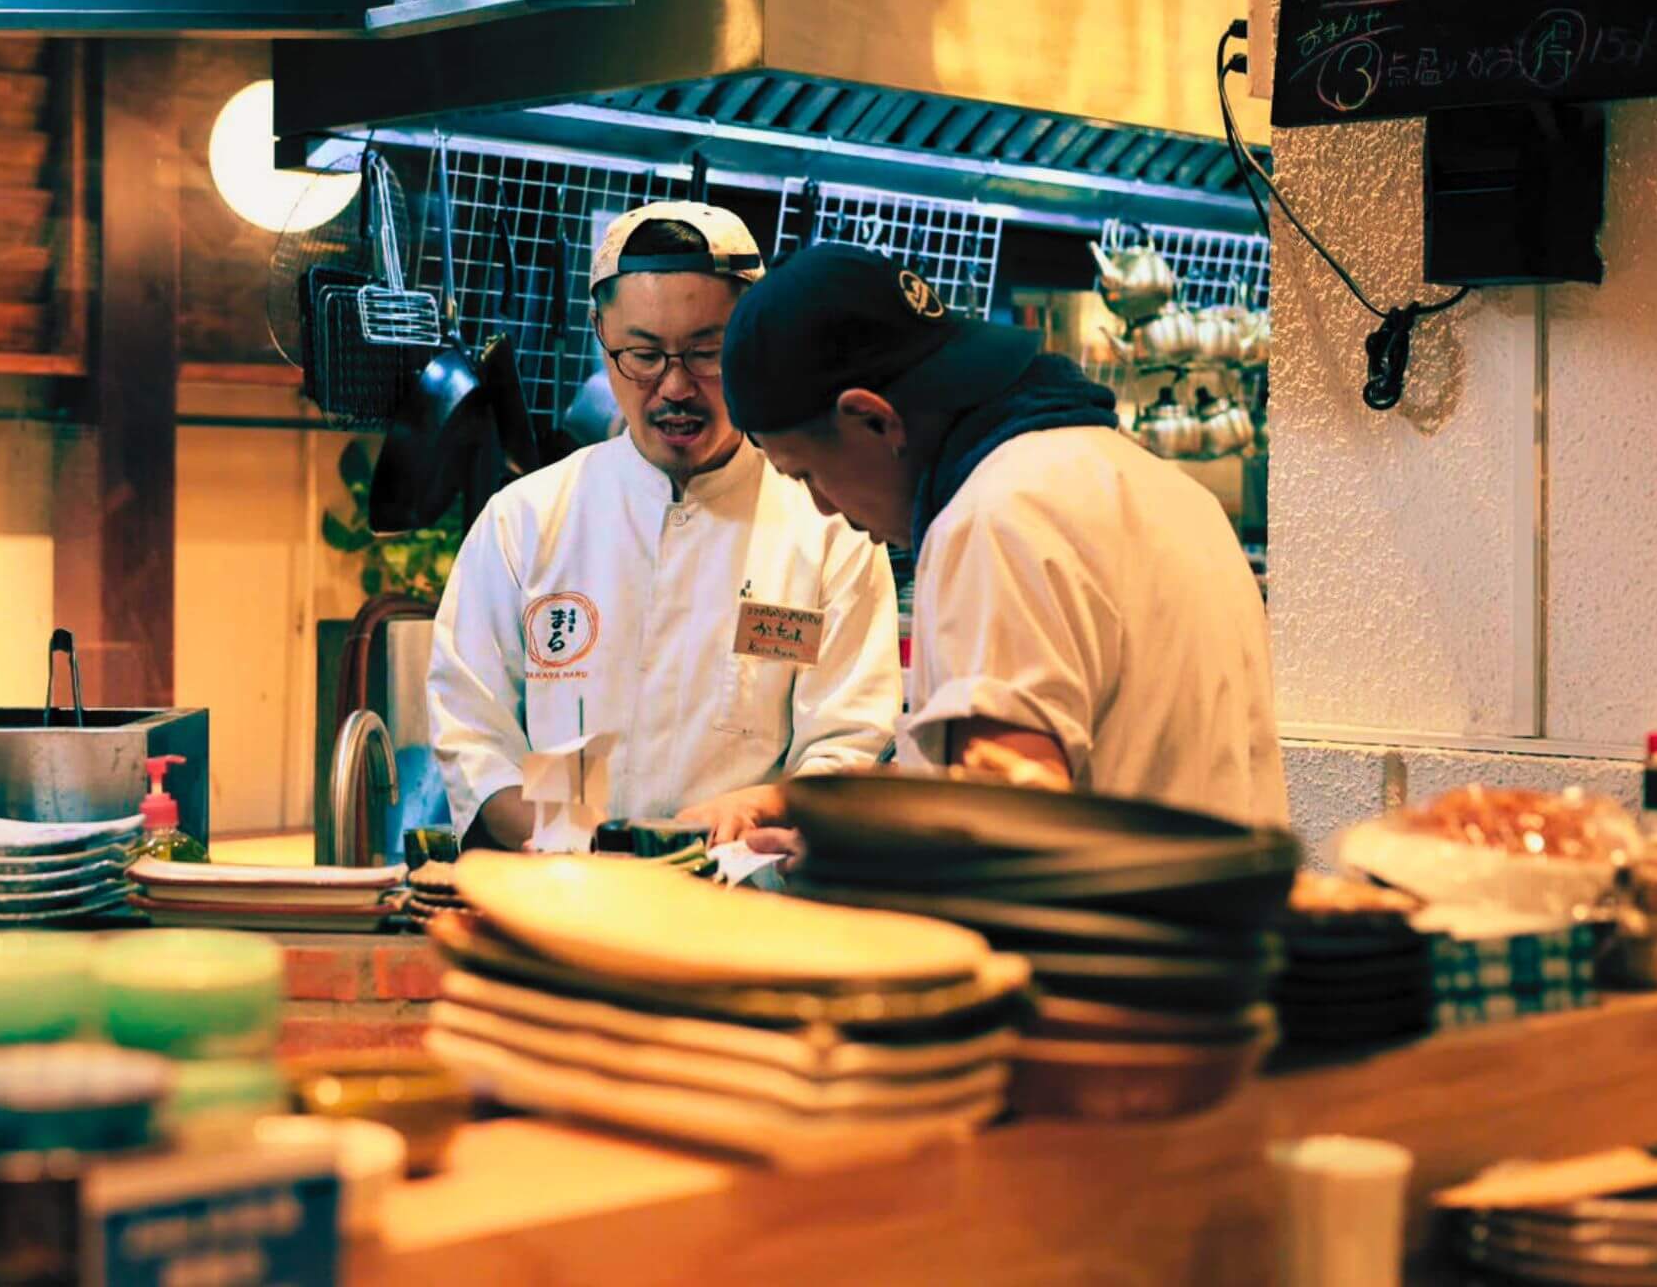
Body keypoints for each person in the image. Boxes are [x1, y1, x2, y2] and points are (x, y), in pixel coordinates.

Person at [719, 242, 1285, 826]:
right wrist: (848, 828)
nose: (822, 507)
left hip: (1105, 916)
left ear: (873, 419)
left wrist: (859, 870)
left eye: (807, 473)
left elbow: (1011, 822)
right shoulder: (1167, 491)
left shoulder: (995, 520)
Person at [427, 204, 902, 849]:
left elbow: (846, 745)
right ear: (600, 334)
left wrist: (763, 806)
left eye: (708, 354)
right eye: (643, 355)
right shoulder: (529, 521)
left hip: (745, 907)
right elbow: (476, 735)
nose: (674, 387)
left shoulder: (825, 531)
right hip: (567, 902)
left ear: (750, 344)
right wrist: (583, 848)